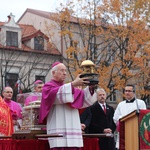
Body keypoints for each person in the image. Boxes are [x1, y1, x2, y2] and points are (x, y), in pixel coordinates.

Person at [39, 62, 97, 150]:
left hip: (73, 130)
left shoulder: (69, 88)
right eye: (62, 70)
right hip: (58, 128)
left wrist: (91, 87)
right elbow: (56, 96)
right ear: (53, 73)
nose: (65, 73)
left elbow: (84, 100)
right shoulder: (48, 86)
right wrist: (73, 84)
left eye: (65, 71)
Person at [113, 84, 147, 149]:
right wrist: (123, 119)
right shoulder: (121, 104)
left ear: (134, 92)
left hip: (135, 132)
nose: (127, 93)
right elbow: (115, 118)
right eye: (126, 91)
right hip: (124, 132)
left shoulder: (140, 103)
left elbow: (143, 117)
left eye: (129, 91)